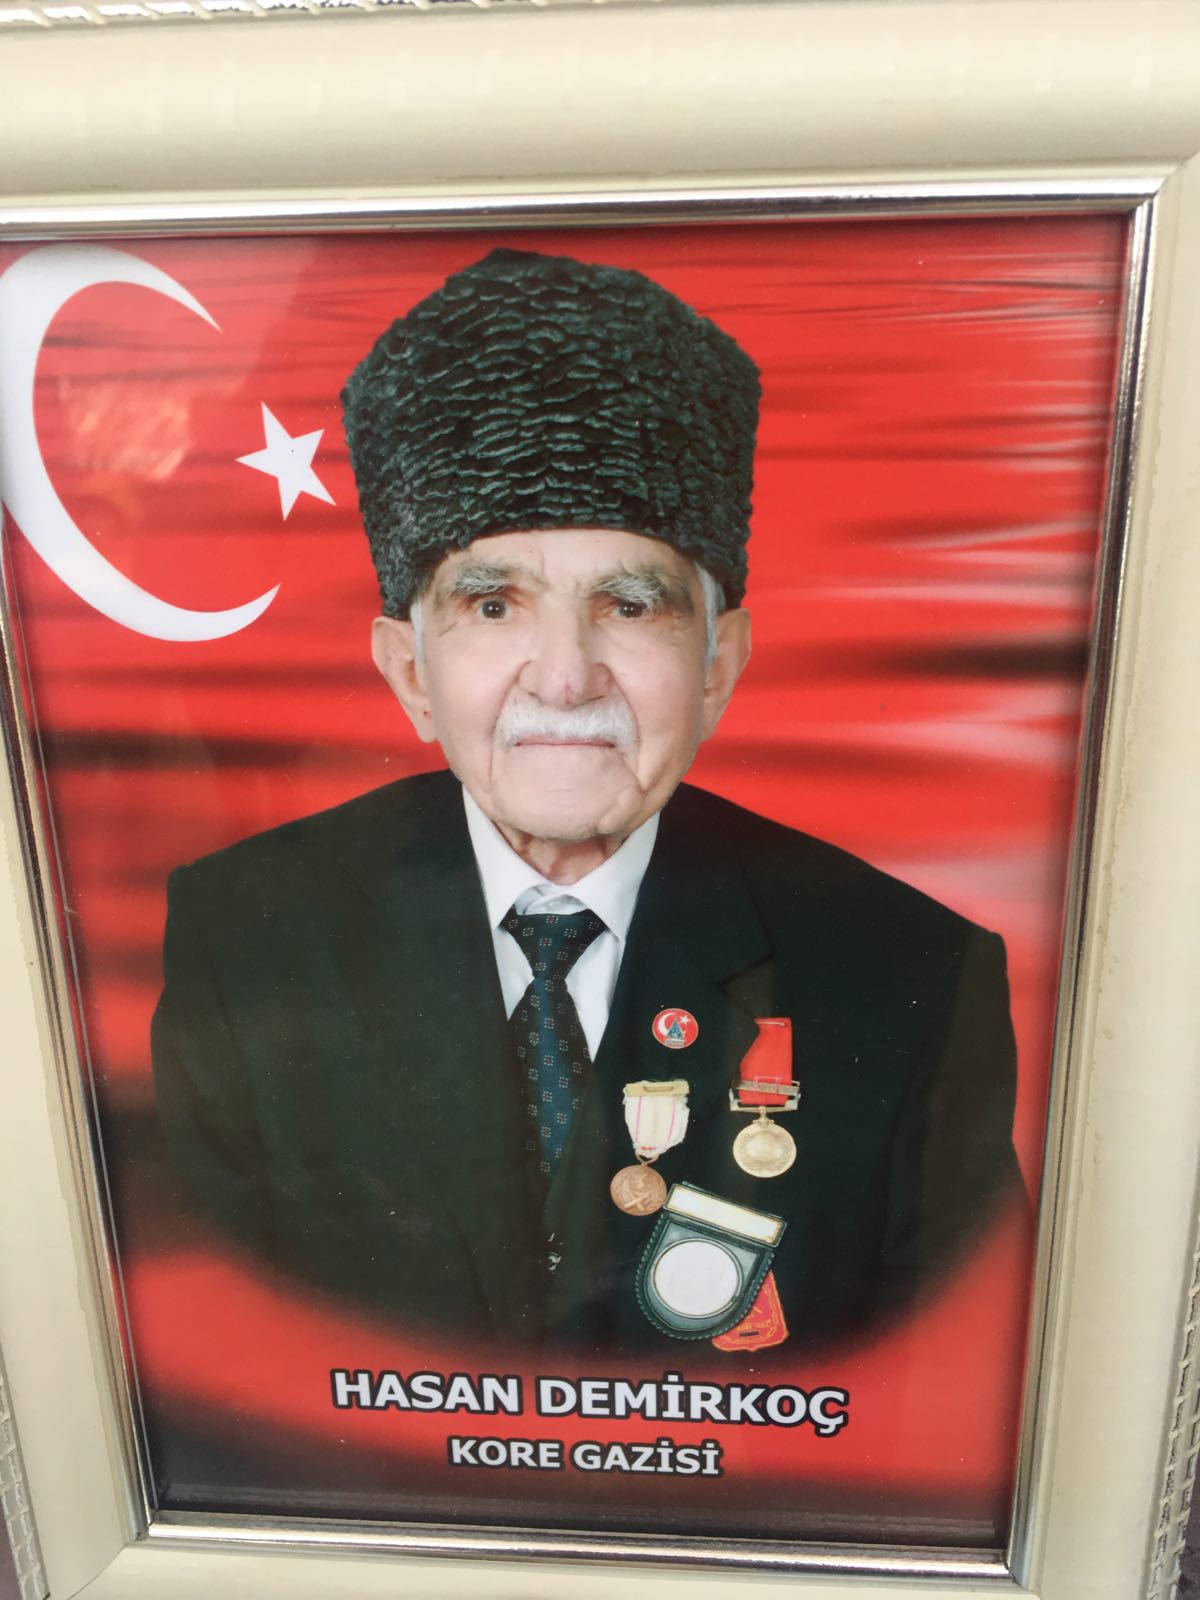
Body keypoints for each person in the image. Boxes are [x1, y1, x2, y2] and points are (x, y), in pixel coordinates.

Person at [152, 248, 1021, 1356]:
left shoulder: (911, 979)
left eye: (630, 604)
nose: (565, 679)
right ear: (410, 672)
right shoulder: (244, 940)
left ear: (718, 665)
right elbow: (204, 1359)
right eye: (493, 603)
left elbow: (945, 1387)